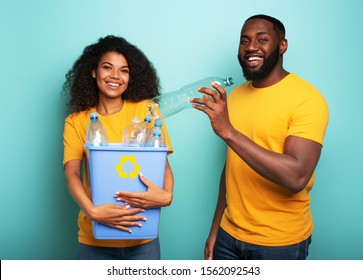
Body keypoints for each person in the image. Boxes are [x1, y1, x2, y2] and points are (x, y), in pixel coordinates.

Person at [191, 14, 329, 260]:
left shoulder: (307, 99)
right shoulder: (234, 97)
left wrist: (229, 132)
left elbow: (296, 176)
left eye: (262, 39)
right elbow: (232, 167)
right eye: (244, 41)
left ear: (282, 45)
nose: (251, 47)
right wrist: (215, 230)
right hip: (227, 237)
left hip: (279, 243)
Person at [62, 35, 174, 260]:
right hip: (94, 240)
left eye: (124, 70)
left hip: (143, 237)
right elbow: (72, 173)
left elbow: (163, 165)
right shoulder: (77, 121)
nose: (115, 76)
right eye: (107, 67)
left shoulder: (146, 110)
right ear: (93, 71)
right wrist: (92, 212)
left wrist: (167, 196)